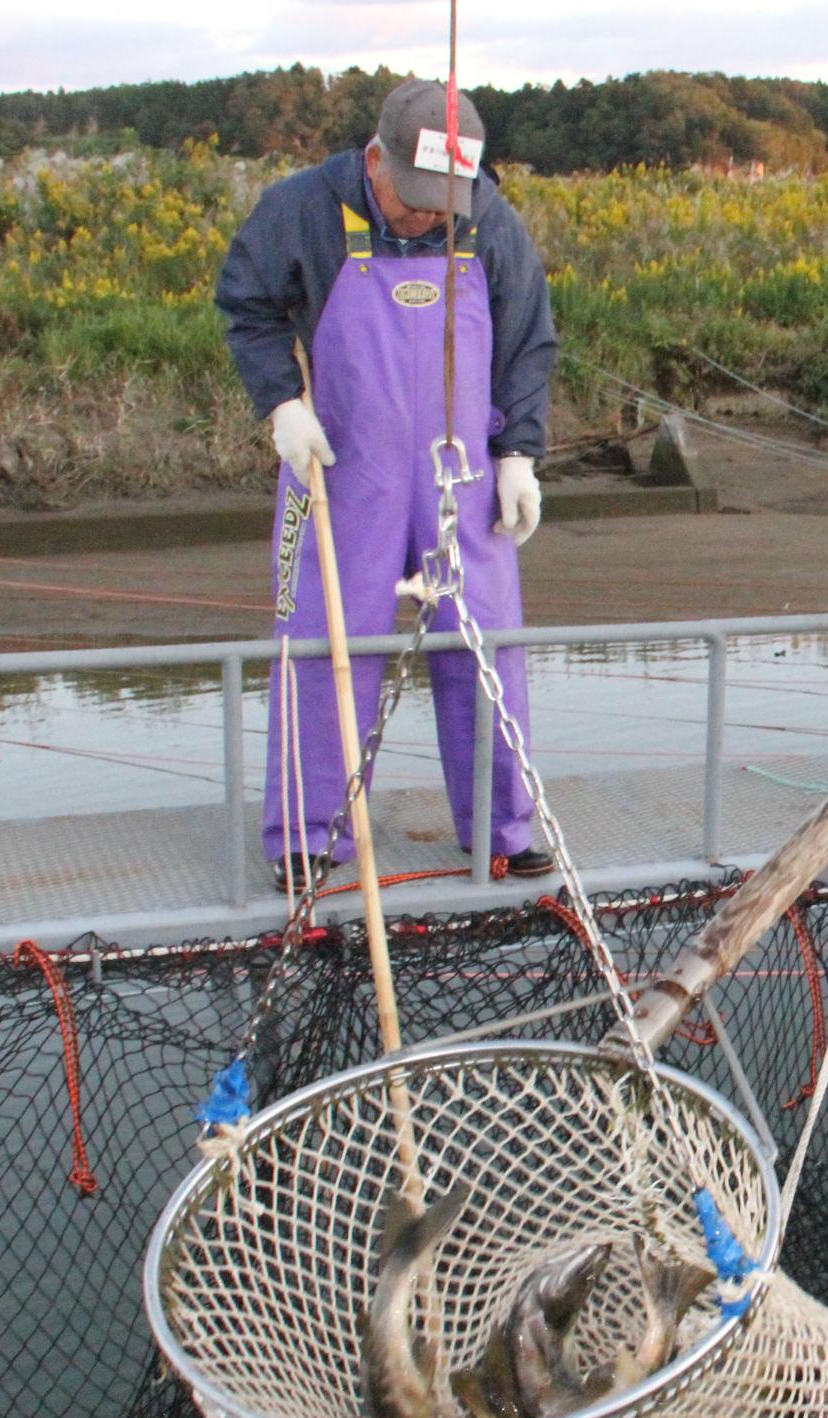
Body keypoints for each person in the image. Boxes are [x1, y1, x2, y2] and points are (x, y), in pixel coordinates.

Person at [216, 80, 558, 891]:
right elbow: (248, 305)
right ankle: (307, 834)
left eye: (446, 202)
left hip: (461, 477)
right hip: (337, 469)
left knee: (487, 645)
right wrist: (282, 405)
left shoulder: (487, 222)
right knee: (322, 642)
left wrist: (521, 455)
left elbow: (525, 339)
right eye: (414, 201)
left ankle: (502, 830)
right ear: (376, 160)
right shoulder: (302, 210)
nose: (429, 218)